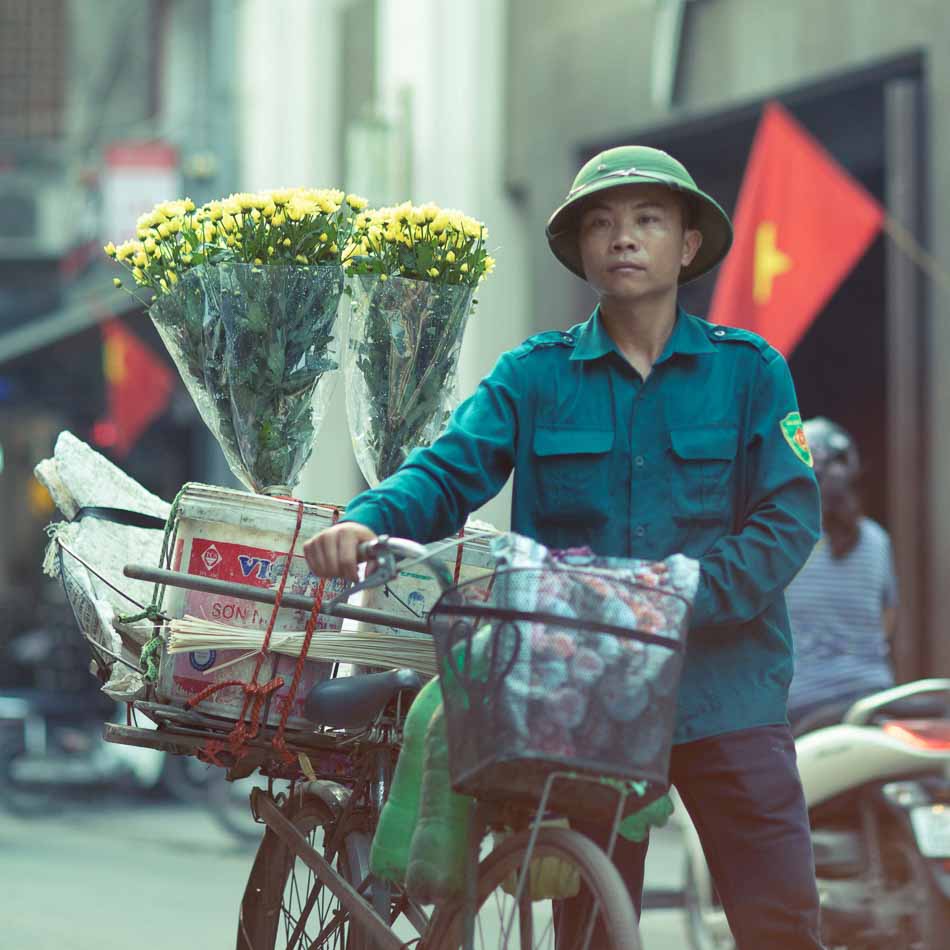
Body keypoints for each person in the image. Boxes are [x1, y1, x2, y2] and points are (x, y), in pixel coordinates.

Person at [303, 145, 823, 948]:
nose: (624, 238)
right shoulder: (534, 377)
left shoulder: (750, 372)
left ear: (687, 245)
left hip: (727, 691)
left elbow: (787, 521)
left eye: (649, 220)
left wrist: (682, 594)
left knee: (780, 922)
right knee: (590, 930)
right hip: (587, 698)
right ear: (581, 250)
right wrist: (367, 518)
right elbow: (448, 469)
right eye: (603, 224)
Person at [786, 418, 898, 731]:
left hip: (803, 703)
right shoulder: (877, 539)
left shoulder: (787, 542)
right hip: (874, 696)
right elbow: (887, 618)